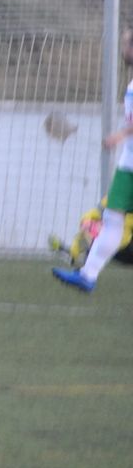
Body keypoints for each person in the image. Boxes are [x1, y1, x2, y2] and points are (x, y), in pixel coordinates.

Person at [54, 24, 133, 292]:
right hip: (127, 165)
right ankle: (88, 275)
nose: (123, 49)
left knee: (113, 222)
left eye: (126, 44)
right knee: (111, 220)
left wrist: (120, 135)